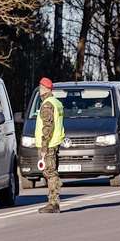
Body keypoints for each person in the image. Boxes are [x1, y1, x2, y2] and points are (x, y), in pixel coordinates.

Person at [35, 77, 65, 213]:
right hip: (55, 142)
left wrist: (43, 147)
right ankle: (53, 202)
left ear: (44, 89)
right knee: (51, 172)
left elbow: (48, 127)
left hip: (49, 144)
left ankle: (53, 203)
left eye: (40, 88)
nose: (39, 90)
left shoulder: (47, 105)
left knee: (50, 173)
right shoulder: (56, 102)